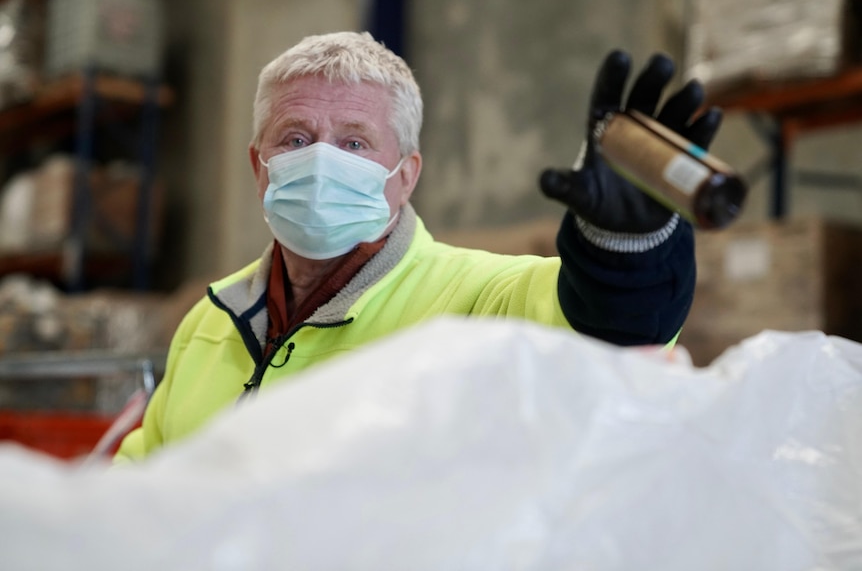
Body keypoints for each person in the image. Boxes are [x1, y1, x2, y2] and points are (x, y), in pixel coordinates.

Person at [115, 31, 722, 461]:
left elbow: (612, 329)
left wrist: (625, 243)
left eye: (354, 143)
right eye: (295, 137)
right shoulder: (208, 323)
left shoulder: (481, 302)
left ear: (405, 175)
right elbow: (137, 494)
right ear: (258, 166)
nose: (321, 160)